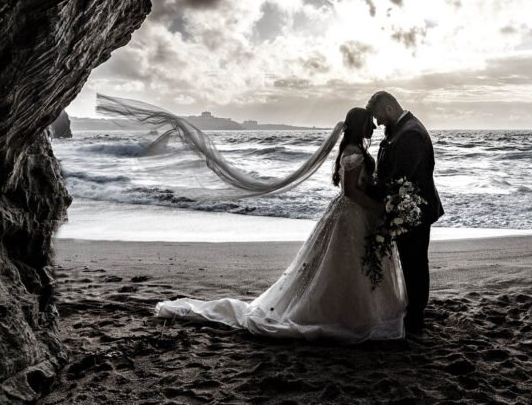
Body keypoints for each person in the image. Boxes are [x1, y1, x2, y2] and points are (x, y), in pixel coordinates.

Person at [153, 107, 407, 343]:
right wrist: (378, 208)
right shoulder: (353, 153)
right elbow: (350, 191)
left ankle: (355, 311)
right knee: (346, 265)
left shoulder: (352, 149)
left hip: (351, 214)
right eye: (370, 124)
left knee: (349, 265)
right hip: (352, 214)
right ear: (361, 125)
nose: (373, 128)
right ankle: (347, 315)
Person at [366, 91, 444, 333]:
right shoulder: (401, 130)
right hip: (407, 208)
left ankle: (415, 318)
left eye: (378, 117)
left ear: (389, 108)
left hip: (415, 211)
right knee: (410, 262)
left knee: (415, 263)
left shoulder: (410, 133)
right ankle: (412, 313)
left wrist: (367, 190)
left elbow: (400, 179)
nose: (378, 124)